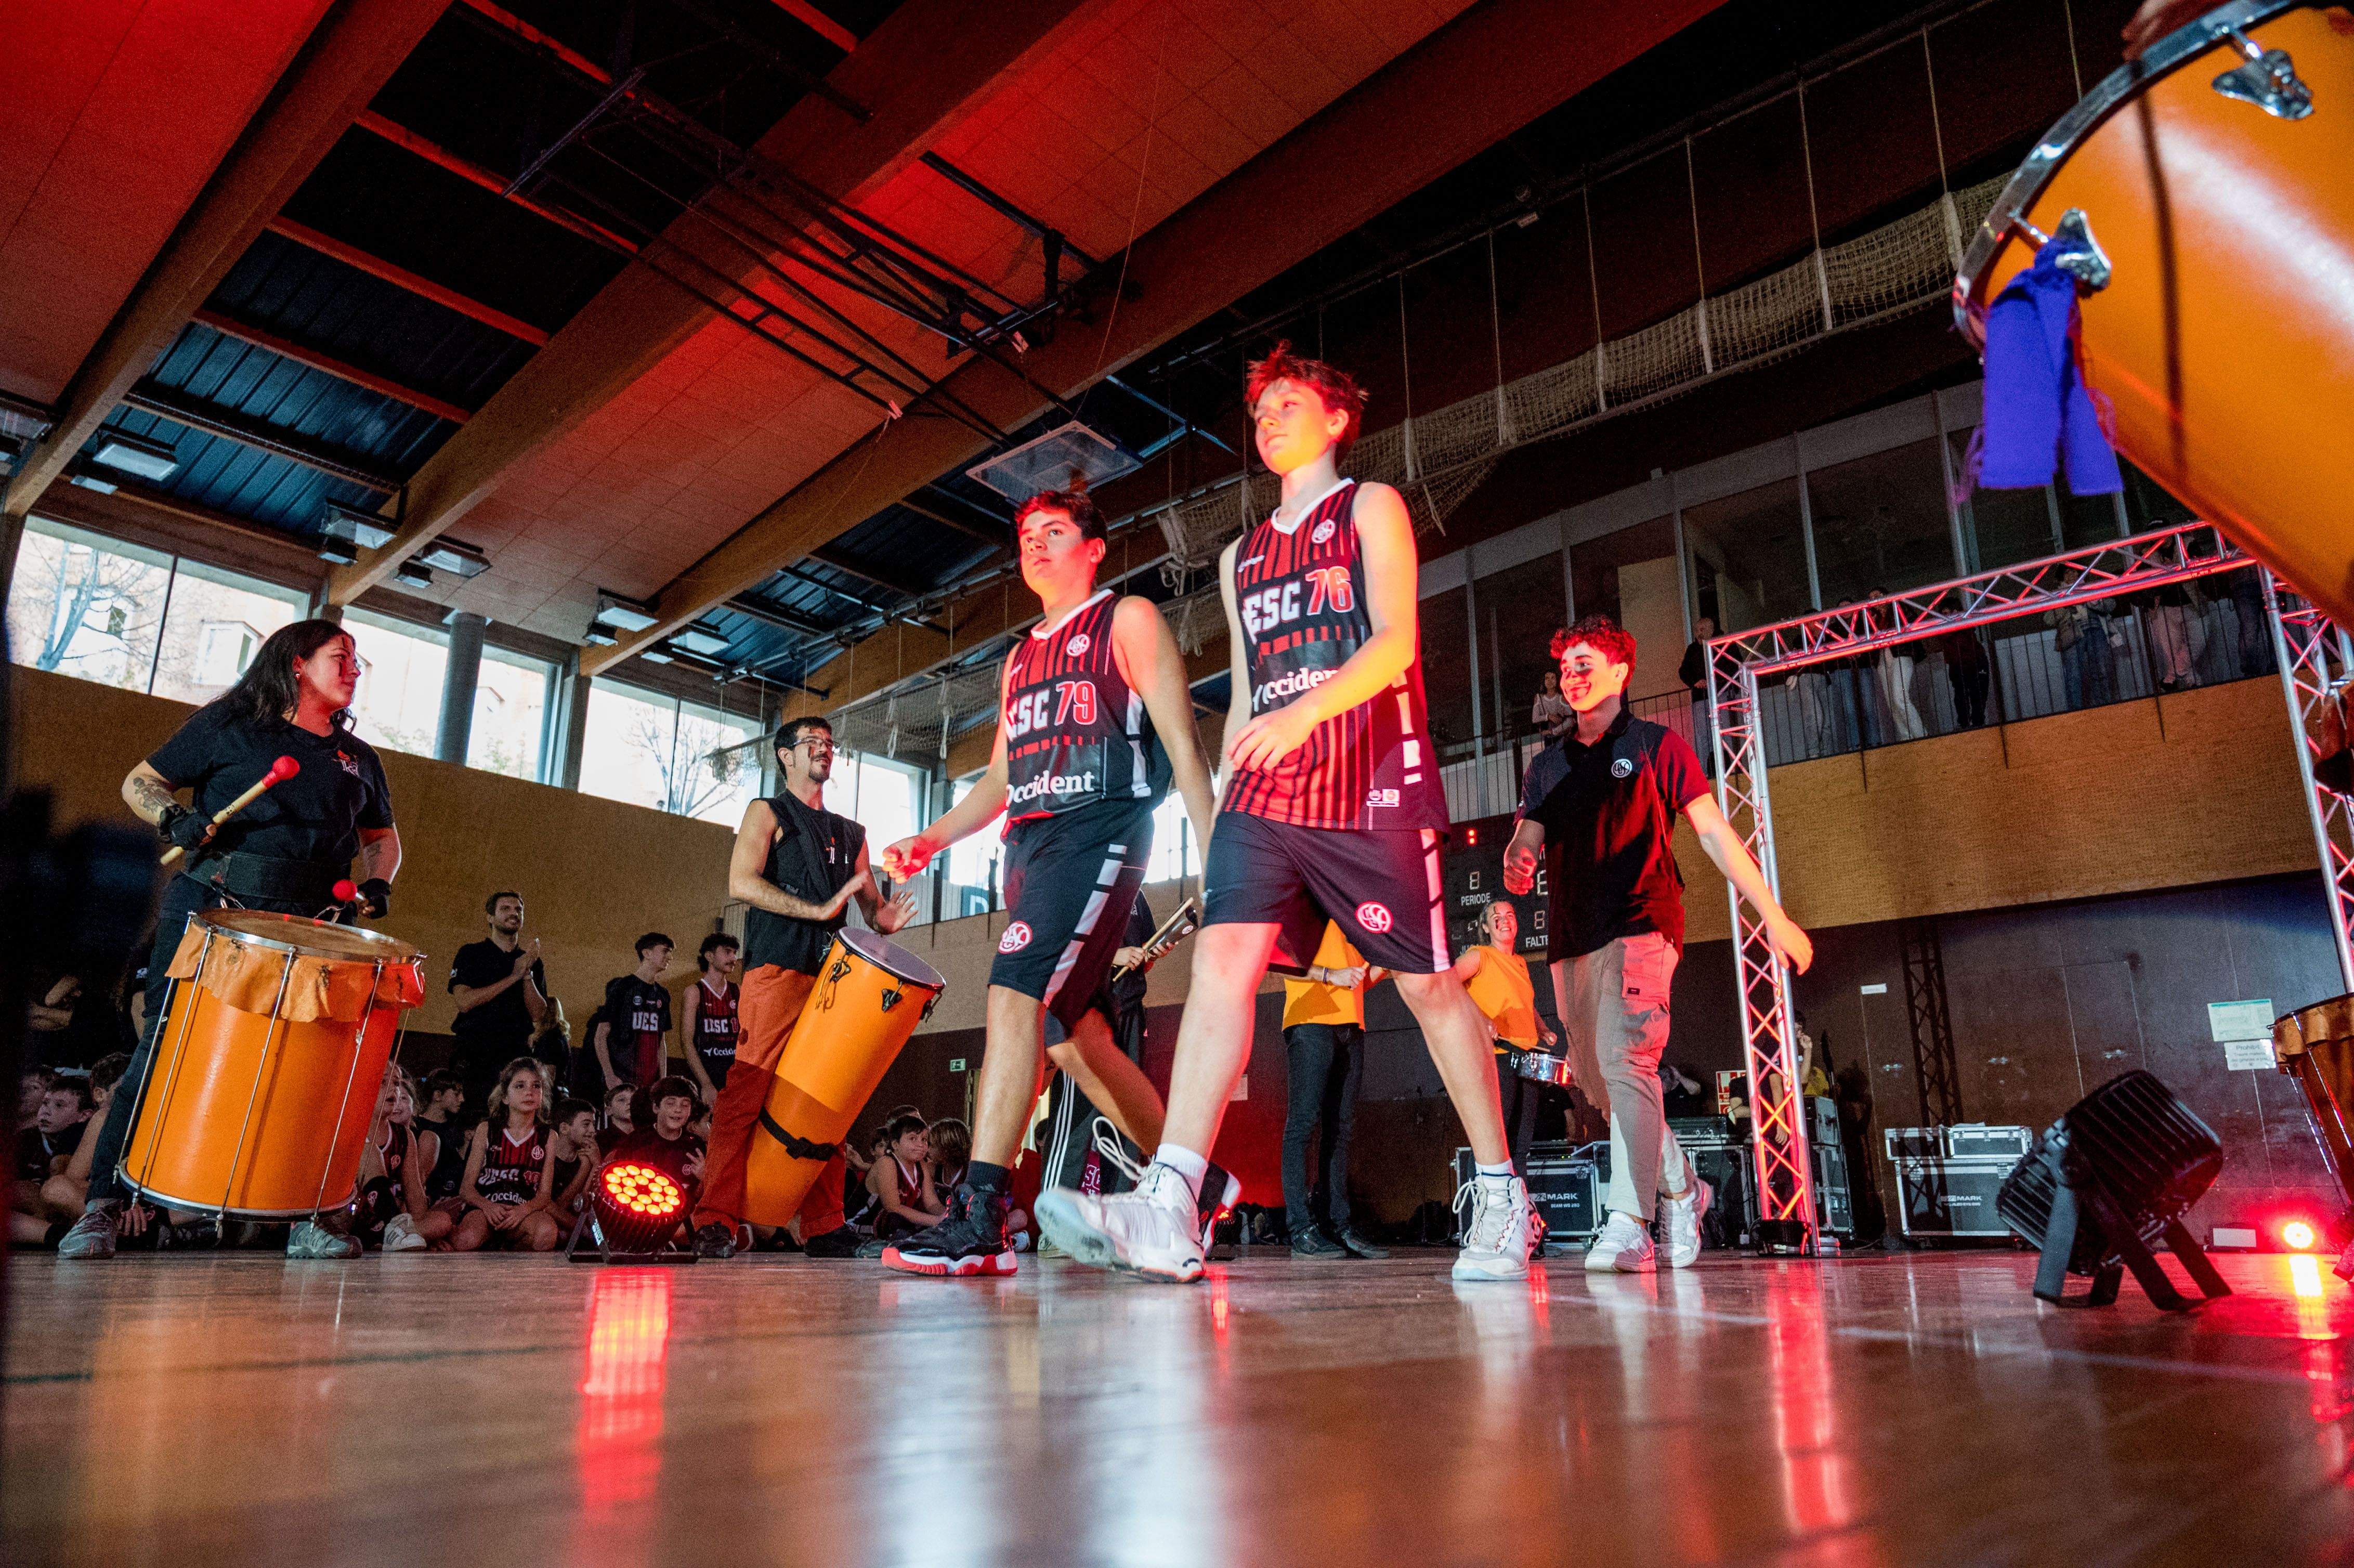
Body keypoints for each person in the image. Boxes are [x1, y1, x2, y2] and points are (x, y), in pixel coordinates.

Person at [1038, 343, 1533, 1284]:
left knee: (1428, 985)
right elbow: (1254, 676)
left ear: (1337, 420)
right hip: (1267, 792)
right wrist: (1232, 765)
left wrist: (1299, 714)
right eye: (1258, 409)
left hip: (1368, 777)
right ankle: (1171, 1200)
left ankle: (1504, 1193)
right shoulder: (1239, 556)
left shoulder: (1371, 506)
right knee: (1224, 963)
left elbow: (1394, 644)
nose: (1266, 419)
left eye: (1287, 403)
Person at [877, 472, 1218, 1280]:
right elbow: (1001, 779)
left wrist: (1222, 857)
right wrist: (932, 838)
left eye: (1054, 530)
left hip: (1098, 830)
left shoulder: (1126, 619)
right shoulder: (1020, 657)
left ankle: (982, 1215)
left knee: (1013, 996)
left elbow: (1182, 742)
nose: (1034, 541)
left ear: (1093, 550)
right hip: (1027, 851)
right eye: (1027, 533)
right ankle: (1199, 1179)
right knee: (1074, 1038)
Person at [62, 619, 399, 1261]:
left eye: (357, 661)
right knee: (163, 1045)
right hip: (214, 905)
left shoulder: (361, 760)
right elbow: (140, 781)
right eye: (342, 657)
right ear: (297, 664)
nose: (355, 669)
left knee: (310, 1069)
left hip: (312, 923)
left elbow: (381, 839)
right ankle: (103, 1206)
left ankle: (312, 1217)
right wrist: (172, 817)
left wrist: (378, 882)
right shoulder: (229, 726)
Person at [1503, 615, 1814, 1272]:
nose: (1574, 676)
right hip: (1570, 939)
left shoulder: (1655, 745)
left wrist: (1773, 913)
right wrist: (1518, 857)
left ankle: (1629, 1223)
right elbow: (1528, 834)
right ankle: (1684, 1186)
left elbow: (1713, 833)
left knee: (1626, 1060)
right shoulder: (1546, 767)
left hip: (1642, 922)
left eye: (1587, 664)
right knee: (1602, 1084)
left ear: (1620, 673)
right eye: (1567, 667)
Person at [688, 715, 913, 1259]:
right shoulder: (766, 811)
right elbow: (741, 882)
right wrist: (815, 909)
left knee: (824, 1101)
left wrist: (887, 917)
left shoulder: (852, 833)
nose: (824, 750)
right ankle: (713, 1217)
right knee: (744, 1095)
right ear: (785, 755)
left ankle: (824, 1224)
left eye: (830, 744)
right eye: (812, 743)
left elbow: (874, 912)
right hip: (776, 968)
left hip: (834, 979)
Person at [1279, 922, 1384, 1260]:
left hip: (1351, 1024)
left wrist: (1391, 960)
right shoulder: (1303, 901)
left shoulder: (1348, 913)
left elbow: (1359, 981)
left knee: (1340, 1130)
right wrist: (1329, 975)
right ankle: (1300, 1228)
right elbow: (1280, 957)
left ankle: (1337, 1226)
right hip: (1310, 1018)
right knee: (1303, 1125)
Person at [1455, 899, 1558, 1172]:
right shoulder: (1479, 955)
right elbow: (1448, 982)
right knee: (1496, 1141)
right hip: (1497, 1056)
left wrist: (1542, 1029)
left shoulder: (1521, 963)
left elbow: (1527, 1003)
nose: (1504, 920)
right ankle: (1491, 1203)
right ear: (1486, 927)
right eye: (1496, 917)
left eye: (1510, 915)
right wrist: (1481, 1019)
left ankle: (1519, 1204)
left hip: (1528, 1056)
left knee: (1521, 1143)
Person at [445, 892, 547, 1113]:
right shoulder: (471, 953)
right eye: (506, 909)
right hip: (475, 1053)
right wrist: (513, 976)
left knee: (512, 1121)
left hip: (515, 1054)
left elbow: (539, 1013)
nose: (514, 913)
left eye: (518, 909)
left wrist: (527, 973)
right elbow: (464, 1002)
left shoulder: (529, 961)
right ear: (490, 917)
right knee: (472, 1120)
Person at [450, 1057, 559, 1252]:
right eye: (520, 1086)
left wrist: (522, 1211)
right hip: (486, 1208)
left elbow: (544, 1196)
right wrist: (488, 1207)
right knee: (466, 1239)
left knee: (547, 1234)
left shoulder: (548, 1136)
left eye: (536, 1086)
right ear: (505, 1097)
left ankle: (507, 1246)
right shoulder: (487, 1130)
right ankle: (486, 1239)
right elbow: (466, 1189)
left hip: (523, 1210)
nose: (530, 1092)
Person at [352, 1065, 435, 1252]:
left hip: (390, 1222)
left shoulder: (404, 1136)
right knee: (370, 1152)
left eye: (397, 1083)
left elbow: (417, 1203)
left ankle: (390, 1234)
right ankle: (391, 1230)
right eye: (383, 1082)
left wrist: (417, 1228)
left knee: (442, 1221)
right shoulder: (348, 1125)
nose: (393, 1089)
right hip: (349, 1216)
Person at [37, 1053, 127, 1221]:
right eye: (127, 1090)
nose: (136, 1097)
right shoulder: (101, 1119)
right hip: (112, 1202)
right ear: (100, 1095)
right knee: (54, 1188)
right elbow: (70, 1178)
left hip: (148, 1200)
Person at [592, 934, 676, 1093]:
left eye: (670, 952)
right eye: (665, 951)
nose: (670, 957)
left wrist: (663, 1080)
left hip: (650, 1083)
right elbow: (600, 1035)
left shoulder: (663, 995)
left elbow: (661, 1041)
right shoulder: (622, 988)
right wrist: (609, 1075)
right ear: (647, 953)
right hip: (622, 1079)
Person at [604, 1076, 707, 1202]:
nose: (678, 1110)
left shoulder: (696, 1146)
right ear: (656, 1108)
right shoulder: (636, 1142)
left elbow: (696, 1198)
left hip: (683, 1218)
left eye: (685, 1105)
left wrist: (703, 1178)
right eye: (671, 1103)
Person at [864, 1112, 944, 1240]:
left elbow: (932, 1204)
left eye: (924, 1139)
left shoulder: (920, 1165)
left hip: (899, 1228)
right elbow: (893, 1207)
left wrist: (948, 1217)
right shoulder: (887, 1163)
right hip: (865, 1230)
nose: (921, 1144)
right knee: (895, 1218)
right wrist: (936, 1221)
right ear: (896, 1145)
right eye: (913, 1139)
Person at [683, 933, 741, 1107]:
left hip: (733, 1076)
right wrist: (706, 1083)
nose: (733, 958)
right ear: (709, 956)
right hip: (705, 1074)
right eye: (727, 952)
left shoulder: (737, 990)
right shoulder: (695, 992)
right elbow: (687, 1042)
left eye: (735, 953)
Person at [413, 1069, 469, 1205]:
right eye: (456, 1094)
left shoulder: (457, 1130)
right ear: (438, 1095)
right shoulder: (416, 1127)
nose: (462, 1099)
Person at [548, 1097, 600, 1218]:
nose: (593, 1131)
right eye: (586, 1125)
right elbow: (558, 1206)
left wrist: (597, 1164)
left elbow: (584, 1205)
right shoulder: (545, 1156)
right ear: (564, 1128)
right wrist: (585, 1168)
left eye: (593, 1124)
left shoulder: (589, 1155)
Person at [1679, 616, 1718, 771]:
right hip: (1700, 698)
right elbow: (1683, 671)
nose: (1698, 633)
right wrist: (1695, 682)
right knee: (1703, 737)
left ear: (1711, 630)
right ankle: (1704, 772)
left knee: (1724, 736)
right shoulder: (1692, 650)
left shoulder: (1720, 644)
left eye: (1702, 630)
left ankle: (1730, 767)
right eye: (1696, 630)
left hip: (1720, 695)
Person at [1940, 626, 1991, 729]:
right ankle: (1970, 723)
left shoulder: (1953, 629)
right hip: (1962, 664)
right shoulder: (1955, 629)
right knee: (1964, 695)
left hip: (1972, 662)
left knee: (1975, 694)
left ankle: (1974, 722)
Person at [1531, 670, 1572, 740]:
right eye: (1547, 679)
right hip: (1547, 738)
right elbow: (1535, 719)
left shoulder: (1562, 698)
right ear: (1544, 682)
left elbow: (1570, 720)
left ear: (1557, 680)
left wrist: (1552, 731)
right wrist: (1549, 717)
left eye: (1553, 678)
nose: (1550, 681)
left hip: (1562, 736)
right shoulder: (1539, 698)